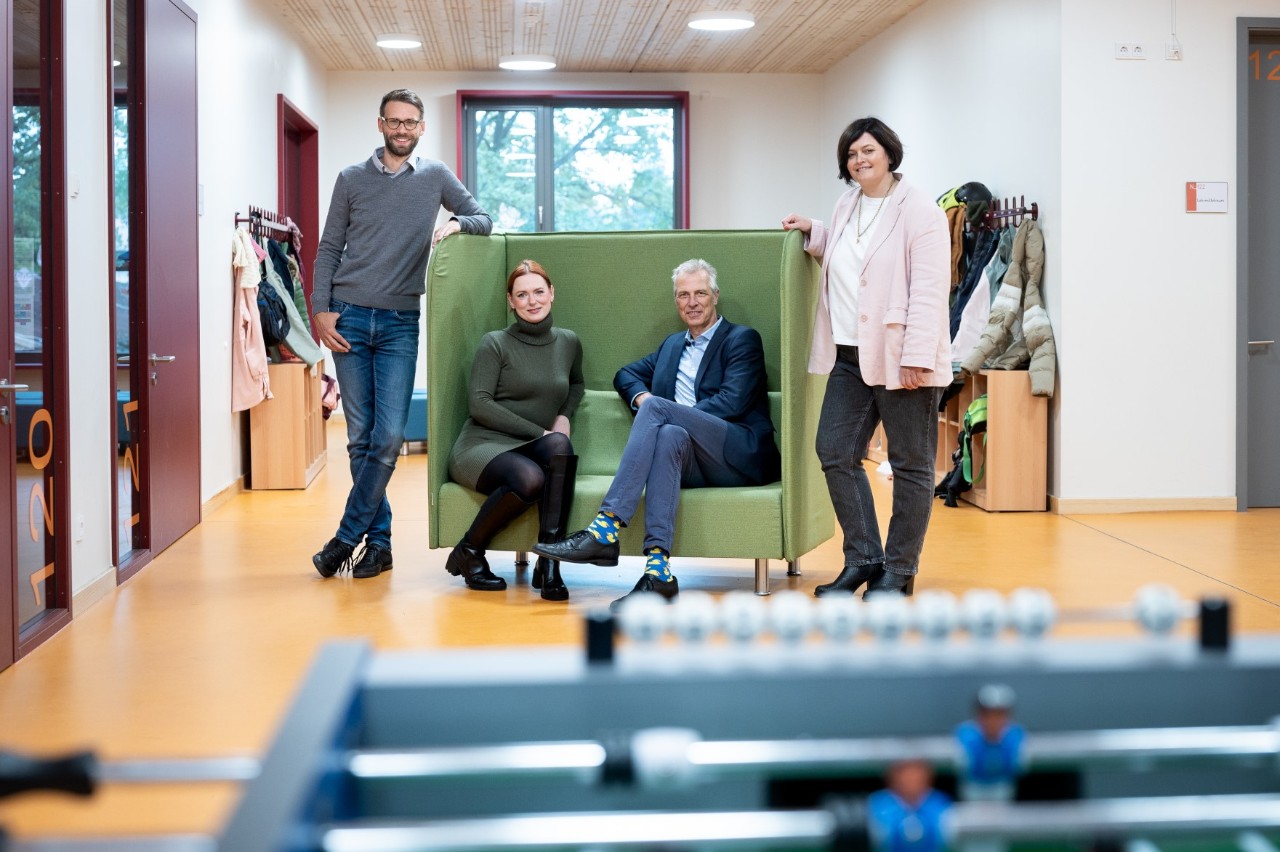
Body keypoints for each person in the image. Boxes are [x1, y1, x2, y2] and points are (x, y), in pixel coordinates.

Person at [310, 88, 492, 579]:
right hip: (347, 316)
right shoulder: (350, 179)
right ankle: (381, 544)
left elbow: (484, 217)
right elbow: (329, 248)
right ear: (380, 124)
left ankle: (346, 537)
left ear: (422, 127)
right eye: (394, 121)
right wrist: (321, 311)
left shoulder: (434, 177)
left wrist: (455, 223)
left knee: (388, 436)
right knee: (360, 438)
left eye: (410, 122)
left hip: (398, 323)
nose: (402, 129)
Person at [532, 259, 781, 611]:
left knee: (658, 411)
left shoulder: (741, 340)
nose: (692, 302)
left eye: (700, 293)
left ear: (715, 296)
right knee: (668, 436)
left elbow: (732, 402)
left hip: (736, 452)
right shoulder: (670, 346)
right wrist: (643, 398)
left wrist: (660, 409)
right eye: (683, 295)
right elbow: (625, 374)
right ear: (676, 301)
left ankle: (606, 528)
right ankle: (658, 572)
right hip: (690, 458)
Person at [782, 116, 949, 599]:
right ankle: (863, 558)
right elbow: (846, 249)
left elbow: (931, 290)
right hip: (850, 354)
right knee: (834, 449)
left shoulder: (920, 211)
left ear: (890, 154)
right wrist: (814, 230)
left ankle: (899, 570)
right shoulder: (848, 203)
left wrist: (917, 356)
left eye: (869, 151)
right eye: (852, 154)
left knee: (911, 464)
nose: (860, 160)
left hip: (901, 356)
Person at [445, 260, 583, 599]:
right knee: (530, 477)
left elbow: (577, 384)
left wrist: (564, 416)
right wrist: (541, 434)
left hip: (530, 443)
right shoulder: (494, 343)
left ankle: (549, 564)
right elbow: (480, 404)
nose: (532, 301)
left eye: (539, 291)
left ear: (552, 293)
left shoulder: (568, 342)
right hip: (482, 445)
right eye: (522, 295)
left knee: (561, 448)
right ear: (511, 301)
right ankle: (469, 551)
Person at [867, 759, 953, 852]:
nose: (911, 777)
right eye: (904, 771)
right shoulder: (877, 804)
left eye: (917, 770)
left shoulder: (941, 802)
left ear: (929, 775)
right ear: (891, 776)